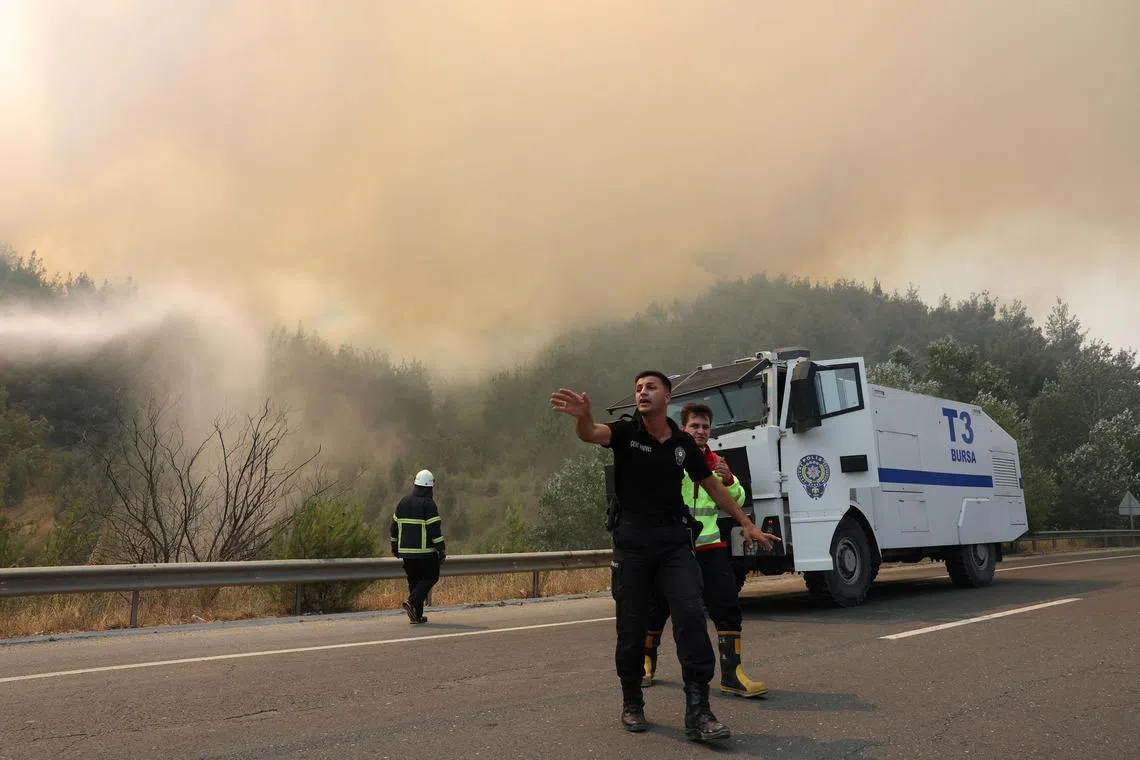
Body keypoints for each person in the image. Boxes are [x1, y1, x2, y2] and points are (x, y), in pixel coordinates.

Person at [550, 371, 779, 741]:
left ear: (667, 395)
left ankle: (699, 710)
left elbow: (712, 486)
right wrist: (582, 417)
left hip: (674, 542)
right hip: (633, 545)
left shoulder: (683, 444)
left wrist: (747, 524)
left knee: (690, 616)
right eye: (638, 387)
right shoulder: (624, 432)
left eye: (650, 387)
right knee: (631, 627)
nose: (642, 392)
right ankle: (632, 702)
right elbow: (591, 434)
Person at [642, 402, 769, 698]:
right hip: (673, 547)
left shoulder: (716, 461)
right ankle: (646, 662)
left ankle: (731, 674)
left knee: (726, 604)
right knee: (657, 607)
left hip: (710, 544)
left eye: (705, 427)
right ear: (683, 428)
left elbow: (736, 495)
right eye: (694, 426)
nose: (700, 431)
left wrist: (726, 479)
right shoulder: (671, 456)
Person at [390, 469, 447, 624]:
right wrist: (441, 549)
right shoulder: (428, 504)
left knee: (414, 582)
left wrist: (394, 546)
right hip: (425, 553)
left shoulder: (403, 501)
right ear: (430, 487)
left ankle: (416, 615)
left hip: (406, 553)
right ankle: (412, 601)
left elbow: (394, 527)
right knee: (431, 576)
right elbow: (434, 529)